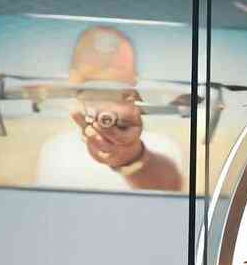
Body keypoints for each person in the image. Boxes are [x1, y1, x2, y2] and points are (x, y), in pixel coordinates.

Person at [37, 27, 183, 191]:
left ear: (133, 83)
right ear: (73, 79)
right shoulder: (55, 151)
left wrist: (131, 156)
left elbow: (169, 188)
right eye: (92, 83)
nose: (103, 97)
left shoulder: (162, 147)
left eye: (115, 84)